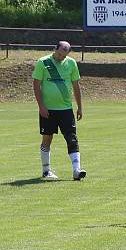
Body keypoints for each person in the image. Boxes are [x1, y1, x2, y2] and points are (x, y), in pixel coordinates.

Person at [32, 41, 86, 181]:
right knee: (47, 138)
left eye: (64, 56)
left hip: (66, 109)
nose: (61, 58)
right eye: (59, 54)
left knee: (71, 138)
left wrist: (79, 107)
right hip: (48, 110)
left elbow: (76, 86)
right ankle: (46, 170)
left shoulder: (71, 63)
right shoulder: (43, 62)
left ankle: (76, 170)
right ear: (55, 49)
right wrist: (41, 106)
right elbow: (36, 86)